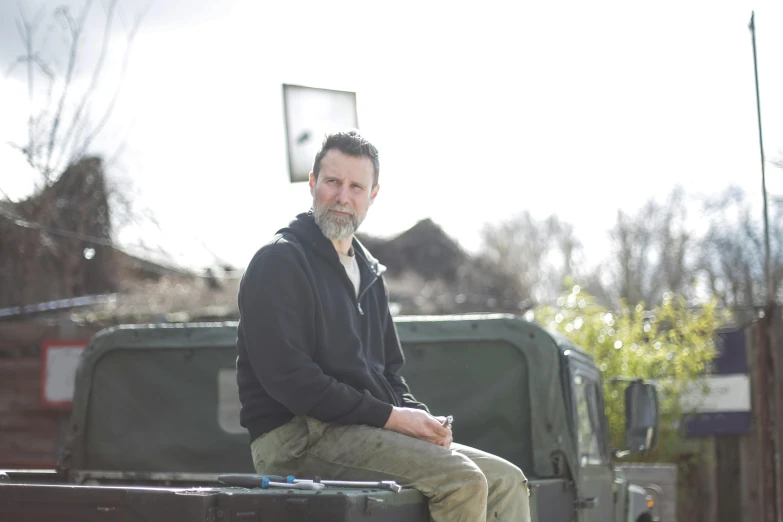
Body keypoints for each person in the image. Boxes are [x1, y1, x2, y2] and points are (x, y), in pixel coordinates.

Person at [235, 130, 530, 521]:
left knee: (508, 479)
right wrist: (393, 418)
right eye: (333, 182)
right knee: (462, 479)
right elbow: (290, 379)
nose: (343, 197)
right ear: (312, 183)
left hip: (361, 429)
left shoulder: (369, 274)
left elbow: (388, 374)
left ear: (373, 195)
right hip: (295, 438)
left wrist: (421, 419)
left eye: (356, 186)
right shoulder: (279, 262)